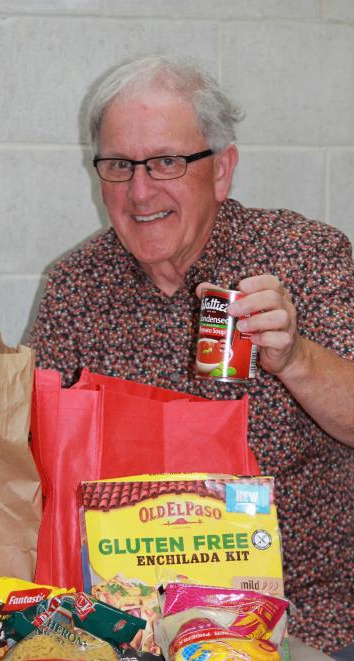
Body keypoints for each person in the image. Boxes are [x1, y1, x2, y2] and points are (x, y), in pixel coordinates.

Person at [28, 55, 354, 657]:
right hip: (120, 627)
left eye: (167, 162)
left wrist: (296, 357)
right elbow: (29, 462)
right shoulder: (74, 284)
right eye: (119, 165)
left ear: (222, 170)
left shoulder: (307, 255)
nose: (140, 189)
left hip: (299, 624)